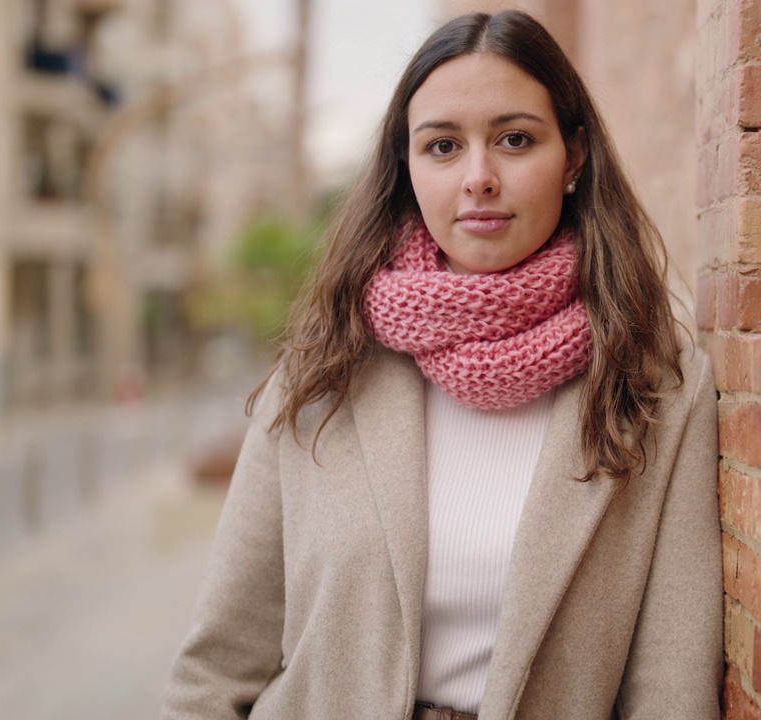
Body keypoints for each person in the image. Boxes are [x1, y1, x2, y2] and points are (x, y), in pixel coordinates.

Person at [161, 10, 721, 720]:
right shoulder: (324, 371)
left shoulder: (659, 388)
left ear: (575, 156)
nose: (479, 177)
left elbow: (672, 691)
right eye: (443, 146)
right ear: (407, 166)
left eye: (515, 140)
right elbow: (213, 674)